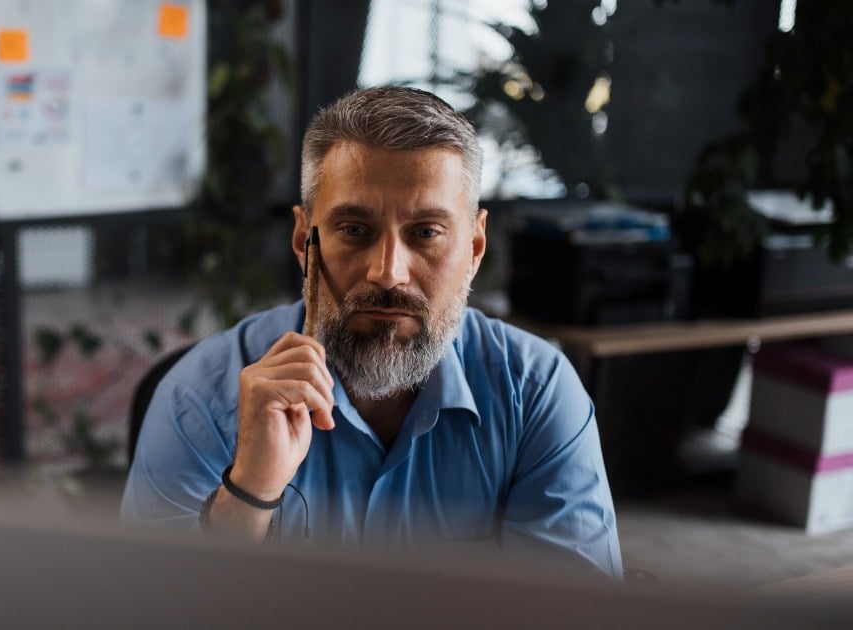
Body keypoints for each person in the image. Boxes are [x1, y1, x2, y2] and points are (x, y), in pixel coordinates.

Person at [121, 86, 623, 579]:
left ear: (473, 247)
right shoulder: (201, 400)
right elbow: (154, 604)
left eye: (426, 232)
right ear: (304, 240)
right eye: (354, 230)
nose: (388, 273)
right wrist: (250, 492)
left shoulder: (535, 394)